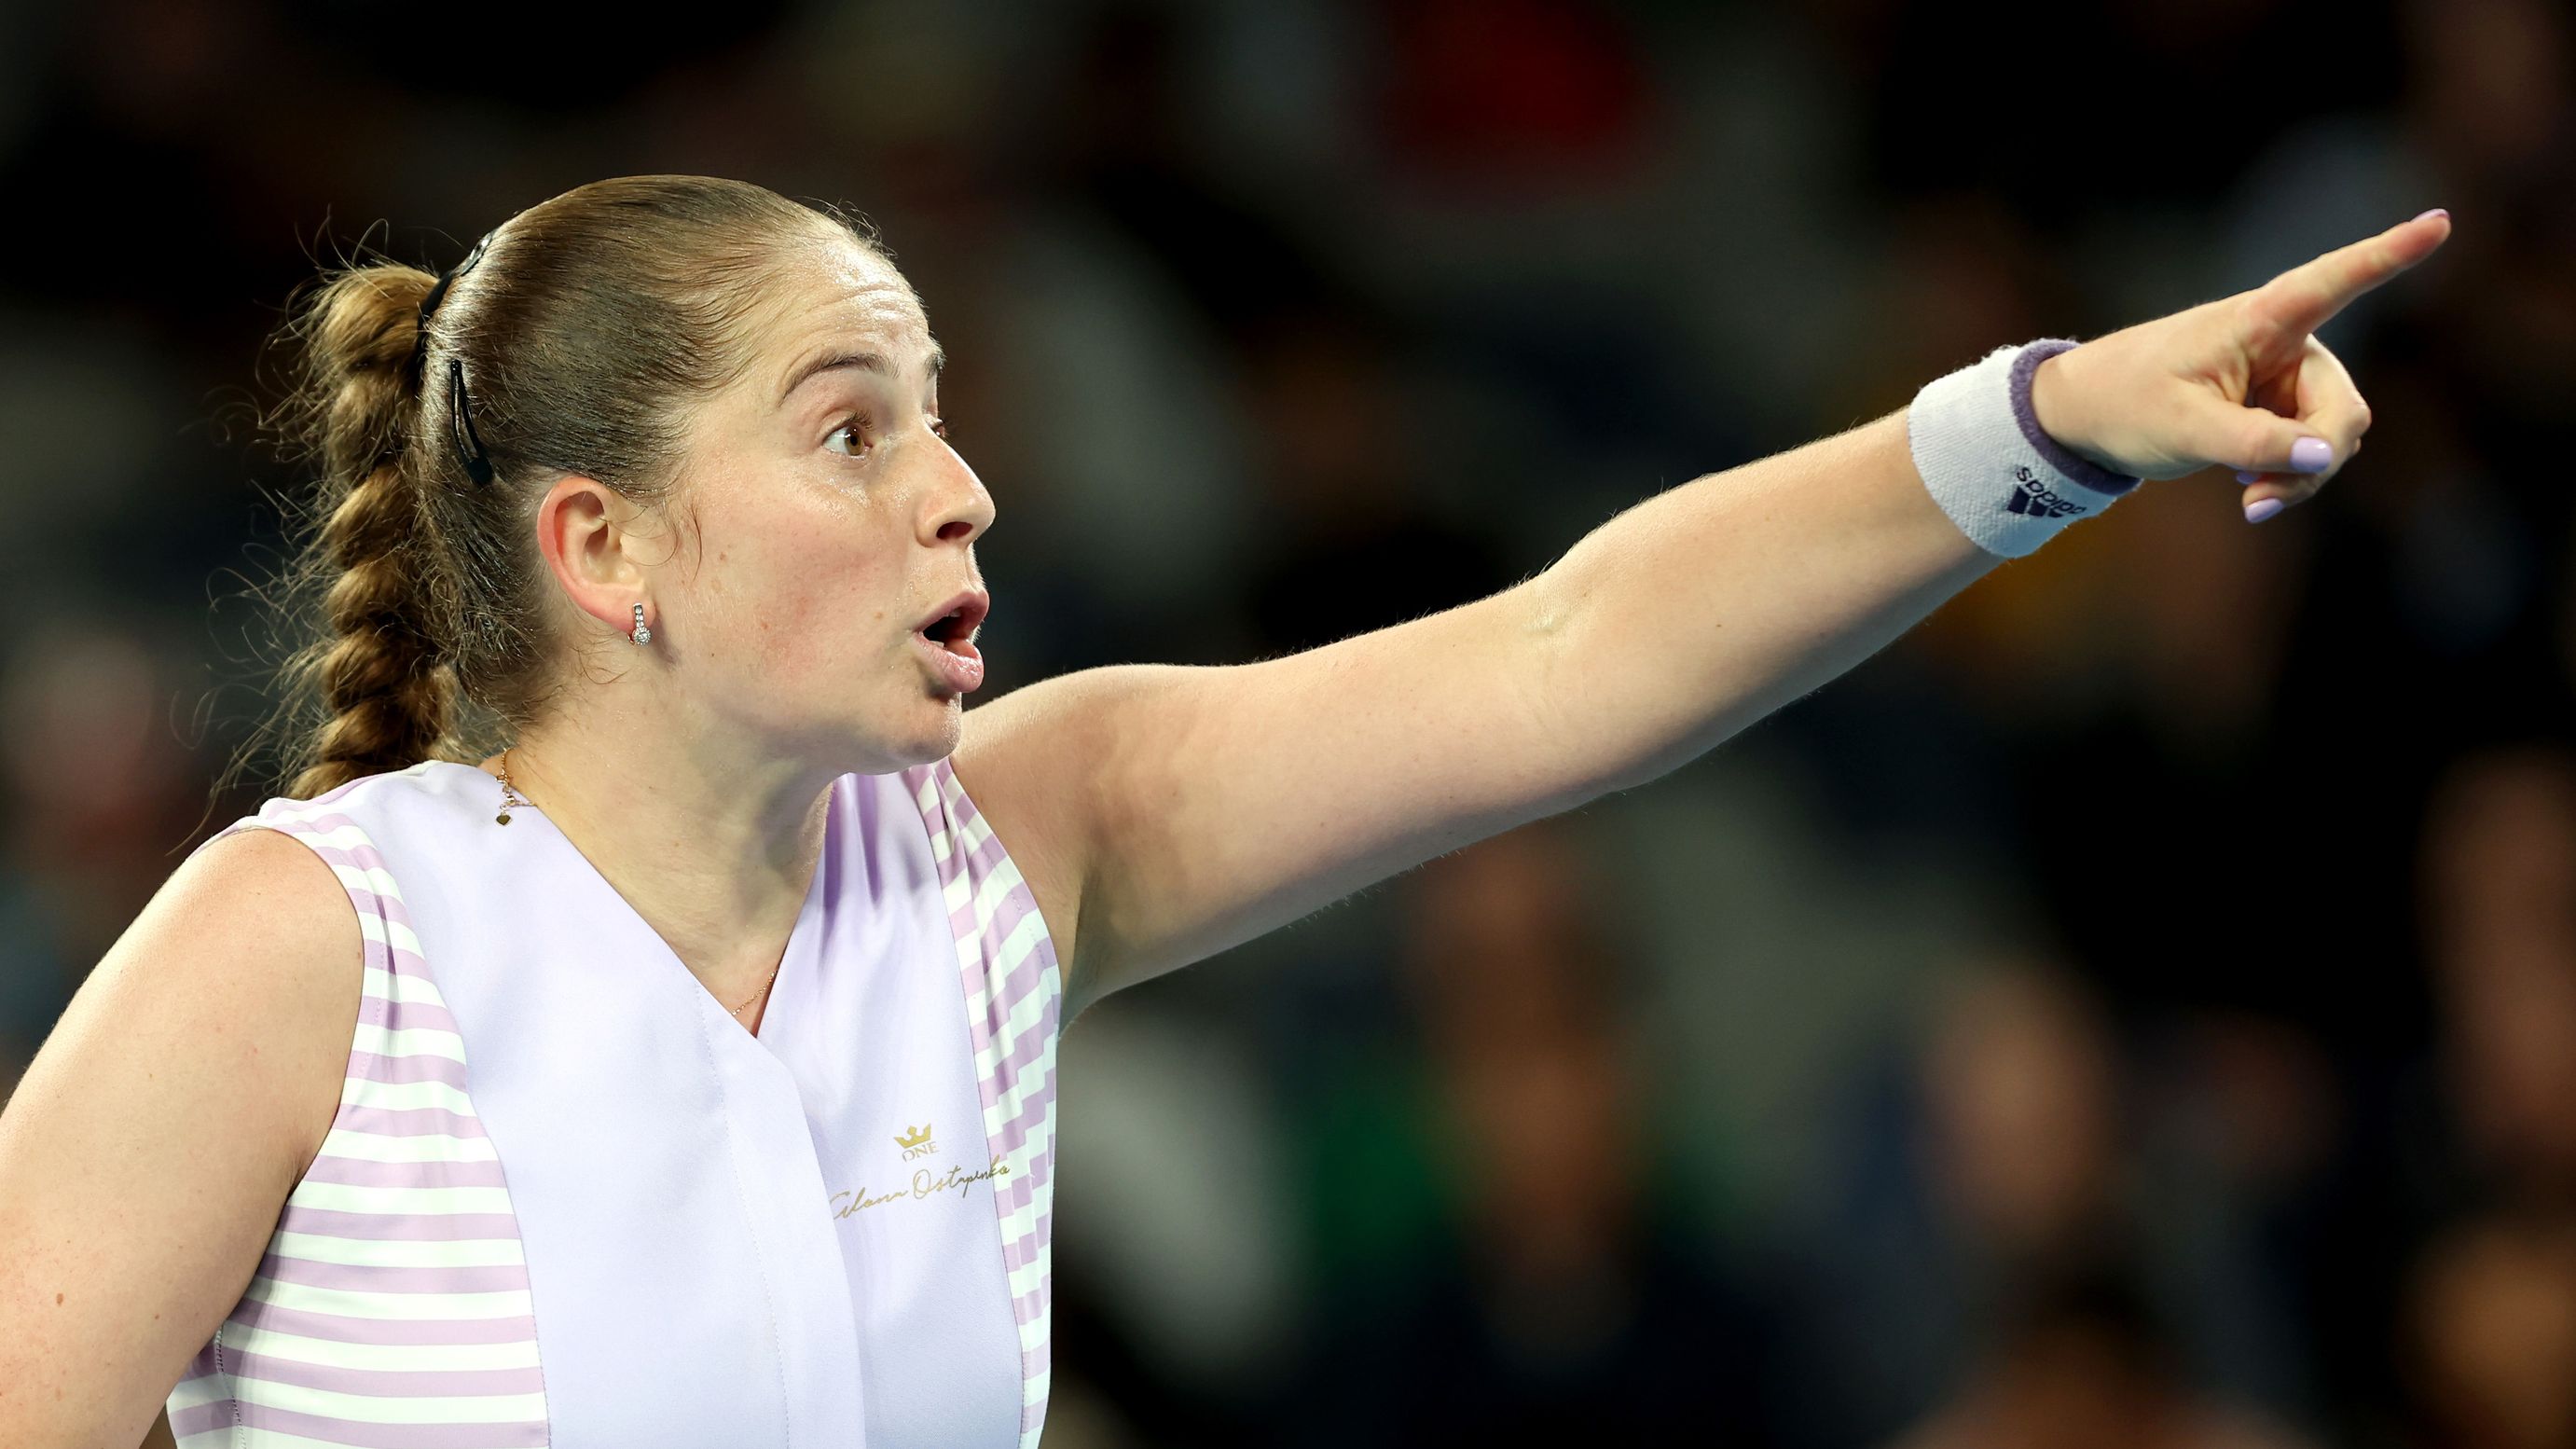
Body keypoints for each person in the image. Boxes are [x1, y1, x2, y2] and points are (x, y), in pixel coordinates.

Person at [0, 174, 2445, 1448]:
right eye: (852, 427)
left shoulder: (1011, 844)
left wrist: (2040, 425)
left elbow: (1575, 647)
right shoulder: (309, 947)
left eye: (942, 407)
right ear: (601, 546)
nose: (963, 486)